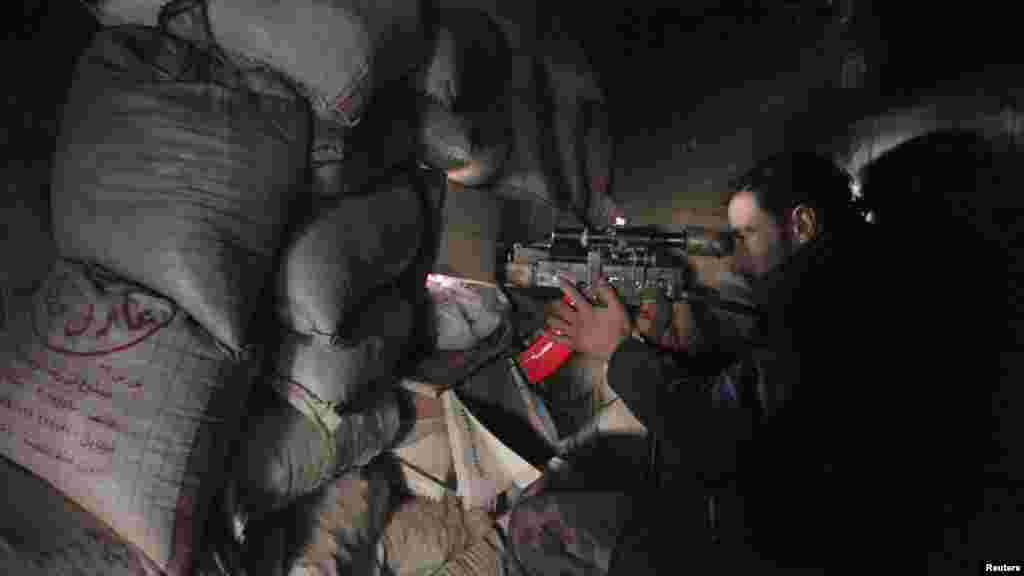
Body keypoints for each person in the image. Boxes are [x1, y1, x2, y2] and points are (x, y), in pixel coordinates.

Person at [544, 152, 909, 572]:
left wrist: (620, 351)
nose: (736, 260)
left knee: (540, 523)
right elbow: (765, 401)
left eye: (747, 235)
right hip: (776, 512)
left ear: (802, 224)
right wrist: (664, 356)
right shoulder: (843, 284)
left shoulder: (833, 313)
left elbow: (716, 432)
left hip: (777, 547)